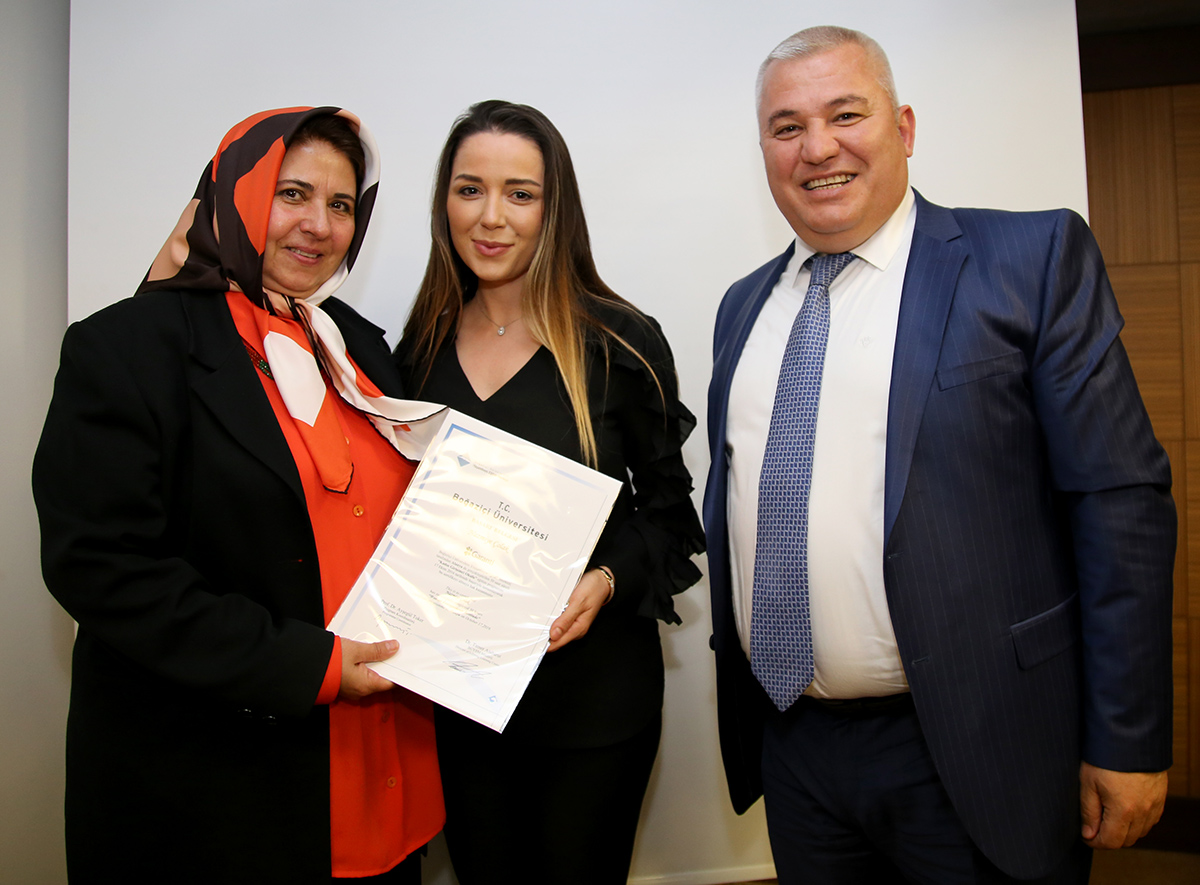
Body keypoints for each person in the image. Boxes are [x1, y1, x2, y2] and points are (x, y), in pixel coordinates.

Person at [703, 26, 1176, 884]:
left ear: (905, 127)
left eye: (846, 114)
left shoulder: (1029, 261)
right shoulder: (743, 307)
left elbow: (1121, 505)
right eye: (786, 127)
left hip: (980, 745)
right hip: (797, 749)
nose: (818, 148)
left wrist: (1128, 737)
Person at [33, 107, 444, 884]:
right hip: (219, 789)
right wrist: (313, 664)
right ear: (237, 192)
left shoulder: (357, 345)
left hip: (374, 754)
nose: (318, 224)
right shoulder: (127, 345)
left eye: (342, 204)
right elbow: (102, 568)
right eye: (293, 193)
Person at [395, 99, 705, 885]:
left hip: (593, 706)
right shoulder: (418, 348)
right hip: (460, 706)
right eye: (470, 189)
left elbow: (671, 520)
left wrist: (606, 579)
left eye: (520, 193)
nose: (491, 216)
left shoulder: (619, 342)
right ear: (443, 202)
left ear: (554, 208)